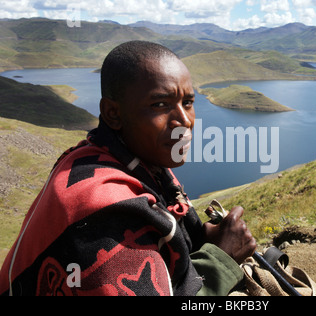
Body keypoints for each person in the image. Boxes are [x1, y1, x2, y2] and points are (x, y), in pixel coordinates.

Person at [0, 41, 256, 296]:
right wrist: (221, 258)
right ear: (113, 113)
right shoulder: (103, 212)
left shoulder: (126, 161)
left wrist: (202, 241)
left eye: (188, 102)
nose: (185, 121)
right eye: (160, 105)